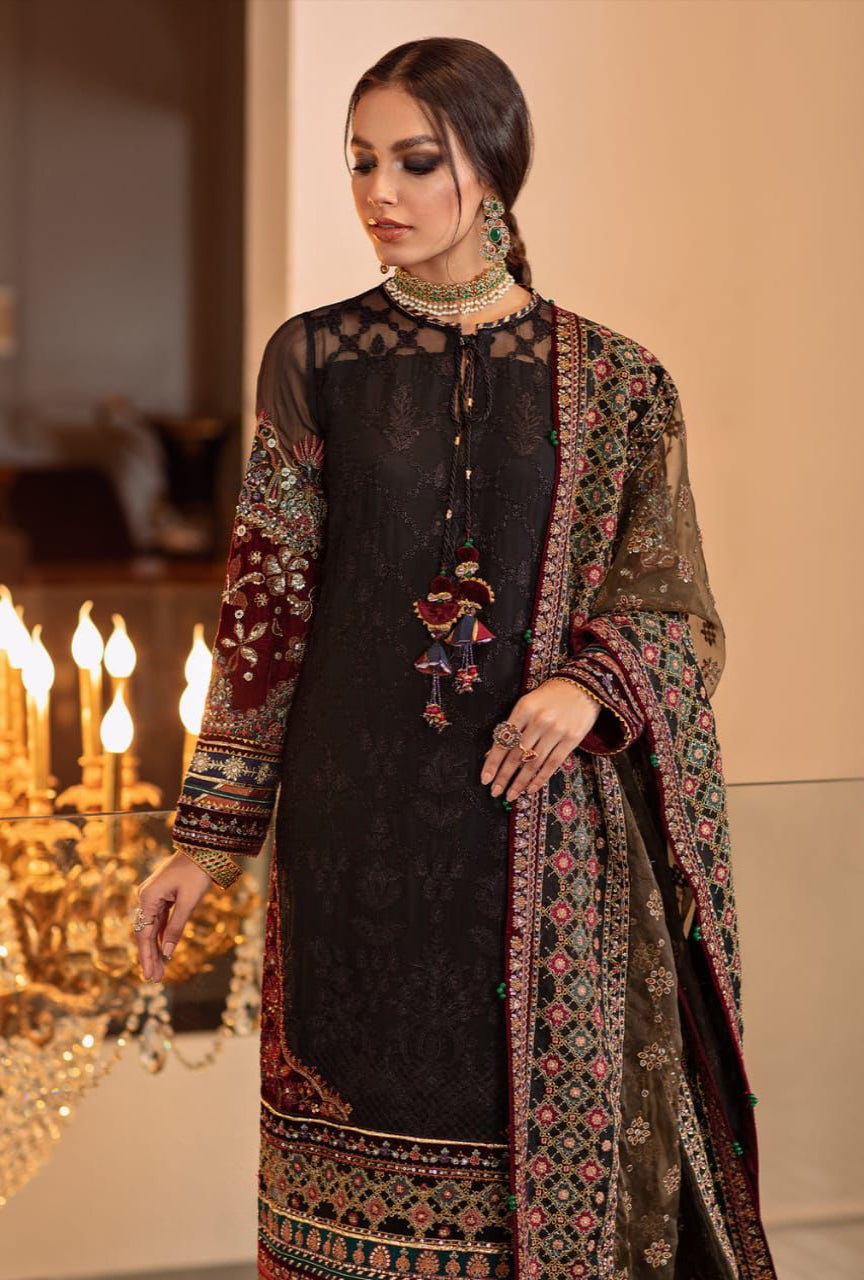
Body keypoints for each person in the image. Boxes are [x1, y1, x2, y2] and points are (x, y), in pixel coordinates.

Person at [134, 36, 777, 1280]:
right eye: (361, 160)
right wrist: (205, 840)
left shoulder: (621, 383)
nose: (380, 190)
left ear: (492, 166)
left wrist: (593, 686)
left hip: (538, 845)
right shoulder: (312, 361)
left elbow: (677, 610)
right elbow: (265, 607)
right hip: (352, 838)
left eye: (415, 160)